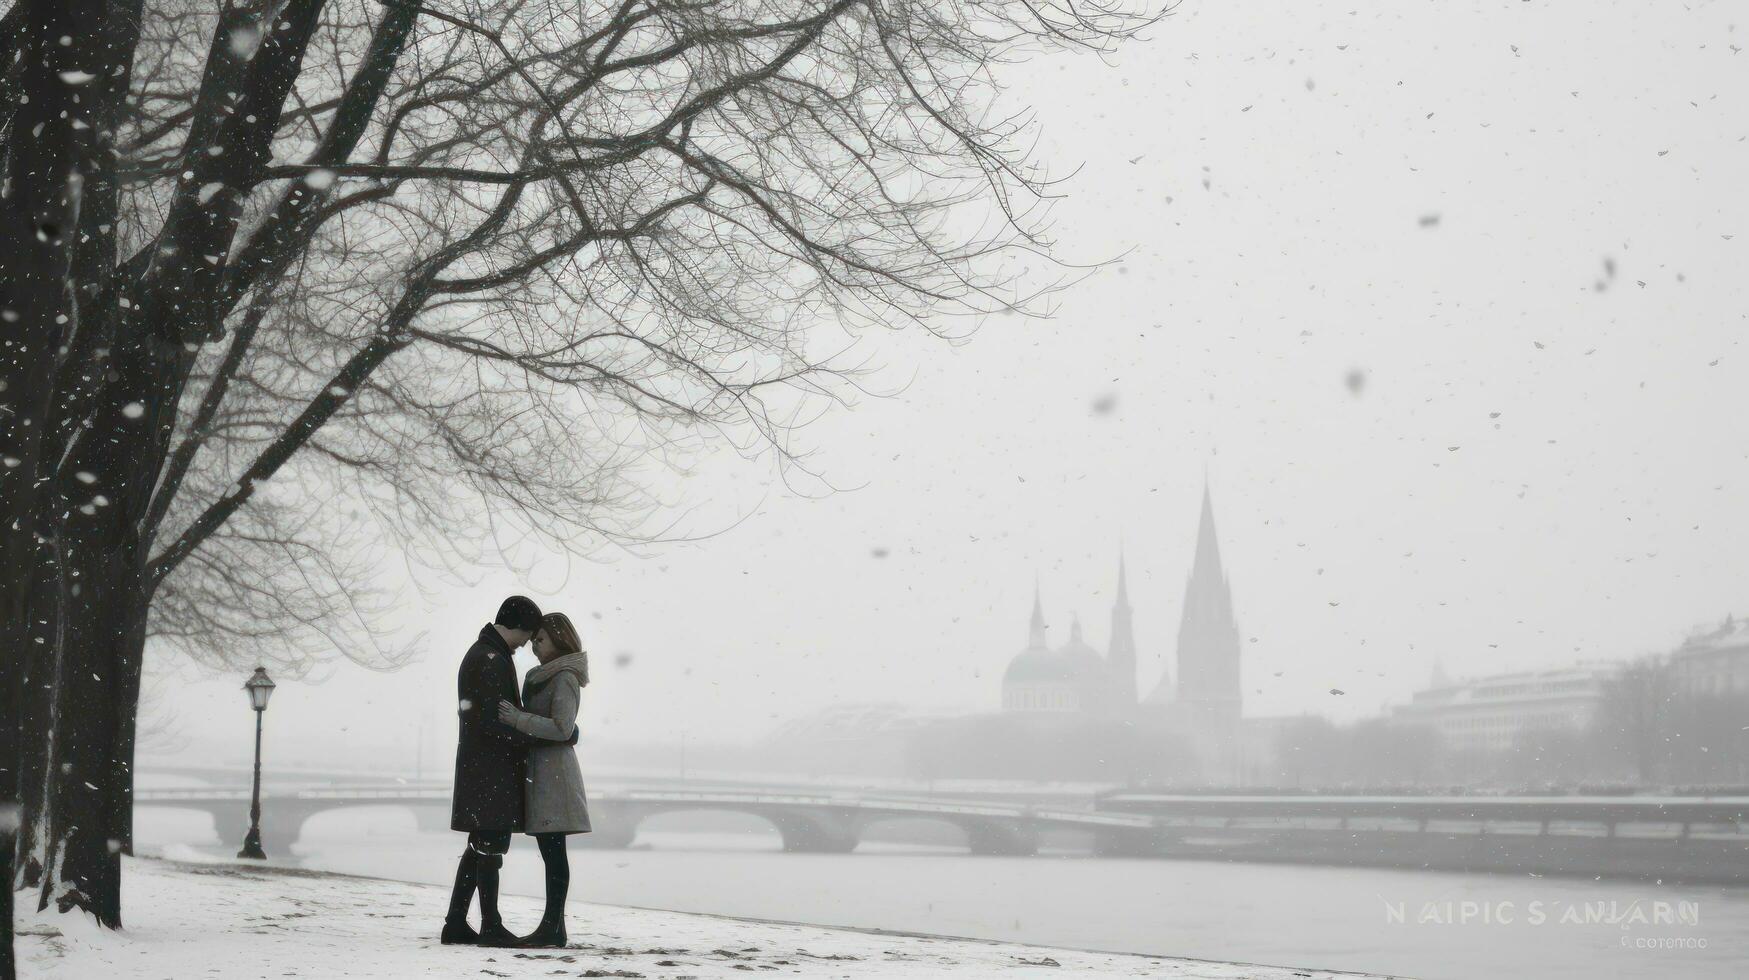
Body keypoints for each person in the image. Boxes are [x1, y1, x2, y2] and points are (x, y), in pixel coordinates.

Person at [442, 595, 545, 947]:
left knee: (479, 847)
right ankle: (490, 925)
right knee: (490, 848)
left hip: (481, 766)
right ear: (516, 626)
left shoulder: (485, 652)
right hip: (491, 769)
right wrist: (530, 738)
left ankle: (456, 922)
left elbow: (480, 718)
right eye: (527, 636)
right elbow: (489, 722)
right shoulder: (491, 659)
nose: (527, 644)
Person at [495, 612, 593, 948]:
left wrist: (518, 718)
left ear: (557, 638)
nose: (534, 646)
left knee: (554, 853)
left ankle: (553, 927)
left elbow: (562, 727)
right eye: (533, 640)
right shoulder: (541, 676)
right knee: (551, 852)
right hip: (541, 772)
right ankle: (553, 928)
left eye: (540, 640)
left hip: (555, 775)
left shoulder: (564, 676)